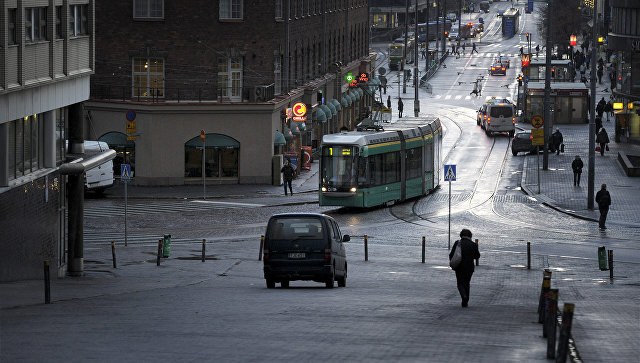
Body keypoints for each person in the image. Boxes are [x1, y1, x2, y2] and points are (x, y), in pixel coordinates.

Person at [449, 229, 480, 307]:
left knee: (460, 283)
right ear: (470, 235)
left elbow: (451, 254)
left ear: (461, 235)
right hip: (469, 267)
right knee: (467, 283)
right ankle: (466, 300)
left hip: (459, 267)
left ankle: (464, 296)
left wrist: (453, 262)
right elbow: (477, 256)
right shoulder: (473, 244)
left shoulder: (458, 243)